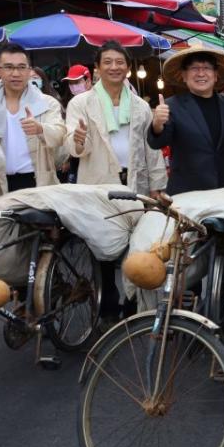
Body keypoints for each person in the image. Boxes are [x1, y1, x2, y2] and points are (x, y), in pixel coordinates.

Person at [66, 41, 167, 322]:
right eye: (107, 62)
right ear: (96, 68)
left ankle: (132, 300)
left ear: (127, 67)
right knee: (101, 245)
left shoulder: (139, 105)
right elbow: (73, 147)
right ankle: (107, 298)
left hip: (134, 182)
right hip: (98, 182)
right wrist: (77, 140)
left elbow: (151, 148)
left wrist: (158, 184)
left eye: (120, 62)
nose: (114, 67)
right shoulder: (81, 103)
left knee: (136, 244)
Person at [0, 43, 65, 205]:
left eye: (21, 67)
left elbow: (60, 133)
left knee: (36, 230)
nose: (16, 73)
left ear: (29, 70)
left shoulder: (46, 103)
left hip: (35, 181)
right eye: (9, 67)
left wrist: (40, 129)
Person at [149, 43, 224, 194]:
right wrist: (157, 125)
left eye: (207, 68)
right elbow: (158, 143)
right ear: (184, 75)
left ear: (216, 75)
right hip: (188, 192)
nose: (201, 73)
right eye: (194, 68)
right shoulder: (172, 106)